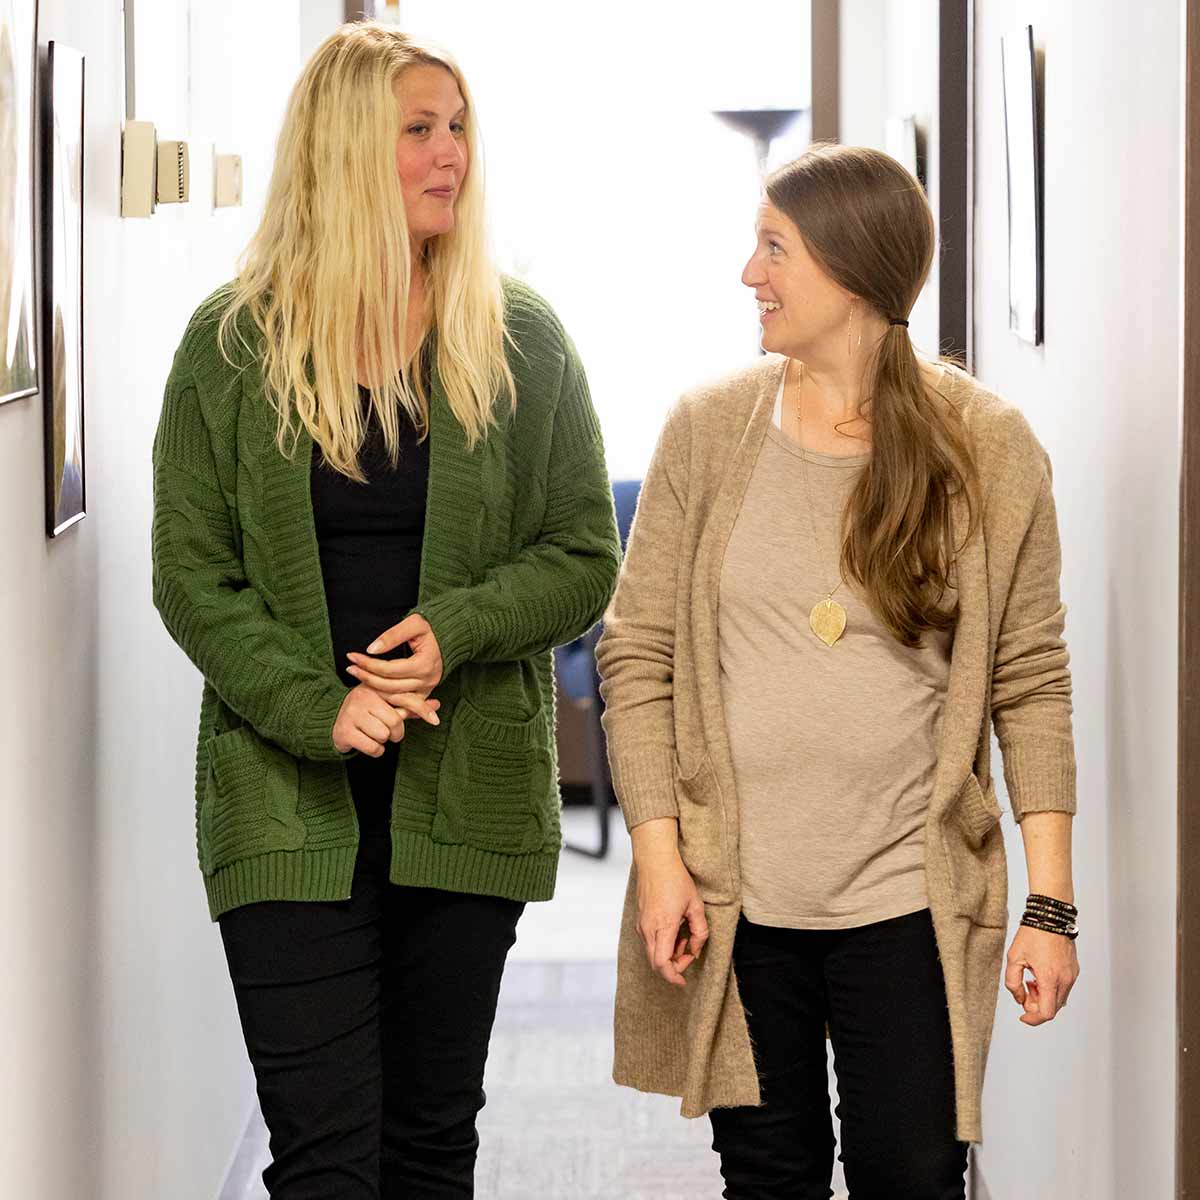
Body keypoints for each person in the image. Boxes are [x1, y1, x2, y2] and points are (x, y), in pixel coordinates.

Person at [151, 23, 619, 1199]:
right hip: (285, 801)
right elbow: (191, 577)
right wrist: (326, 707)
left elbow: (582, 555)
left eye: (458, 128)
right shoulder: (229, 346)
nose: (450, 154)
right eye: (419, 130)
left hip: (466, 797)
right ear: (345, 152)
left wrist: (455, 628)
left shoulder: (520, 338)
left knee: (427, 1147)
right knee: (322, 1163)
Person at [596, 143, 1080, 1200]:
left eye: (774, 248)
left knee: (912, 1178)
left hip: (909, 905)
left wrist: (1051, 903)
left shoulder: (987, 449)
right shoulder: (708, 430)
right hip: (741, 901)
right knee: (767, 1181)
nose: (748, 274)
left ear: (852, 270)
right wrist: (662, 859)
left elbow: (1030, 680)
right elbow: (635, 656)